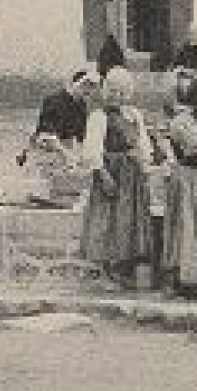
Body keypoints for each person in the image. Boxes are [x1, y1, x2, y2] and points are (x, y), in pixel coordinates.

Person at [78, 67, 160, 288]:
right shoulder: (99, 117)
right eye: (113, 91)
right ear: (105, 91)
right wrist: (103, 174)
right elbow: (92, 151)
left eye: (122, 92)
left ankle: (123, 269)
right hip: (111, 173)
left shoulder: (134, 115)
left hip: (131, 176)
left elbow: (143, 144)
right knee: (108, 220)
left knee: (129, 221)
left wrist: (143, 163)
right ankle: (107, 270)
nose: (117, 96)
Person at [159, 70, 197, 295]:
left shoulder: (187, 119)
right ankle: (189, 278)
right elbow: (196, 151)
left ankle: (191, 275)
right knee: (189, 226)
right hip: (188, 176)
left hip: (190, 175)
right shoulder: (182, 121)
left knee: (191, 226)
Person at [22, 69, 99, 163]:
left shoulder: (82, 106)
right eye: (85, 85)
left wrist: (81, 158)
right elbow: (47, 136)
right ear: (74, 84)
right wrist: (69, 157)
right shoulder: (54, 101)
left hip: (62, 149)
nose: (88, 90)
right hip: (42, 148)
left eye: (92, 86)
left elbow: (80, 139)